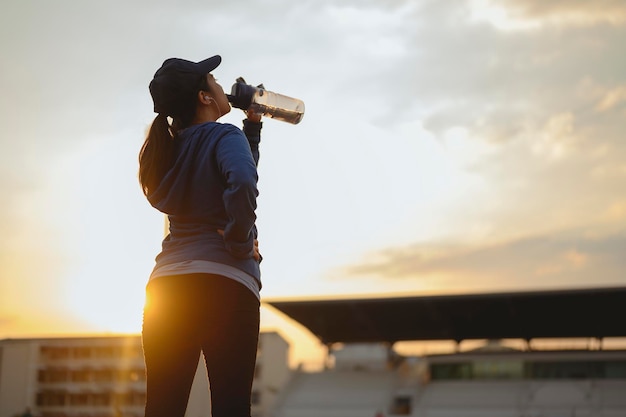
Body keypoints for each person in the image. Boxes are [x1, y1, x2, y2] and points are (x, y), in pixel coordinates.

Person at [138, 54, 263, 417]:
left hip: (167, 289)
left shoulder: (168, 149)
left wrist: (251, 130)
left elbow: (230, 173)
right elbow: (239, 180)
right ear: (205, 98)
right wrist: (240, 244)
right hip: (225, 285)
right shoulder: (225, 135)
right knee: (230, 407)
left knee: (162, 408)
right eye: (214, 80)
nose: (222, 86)